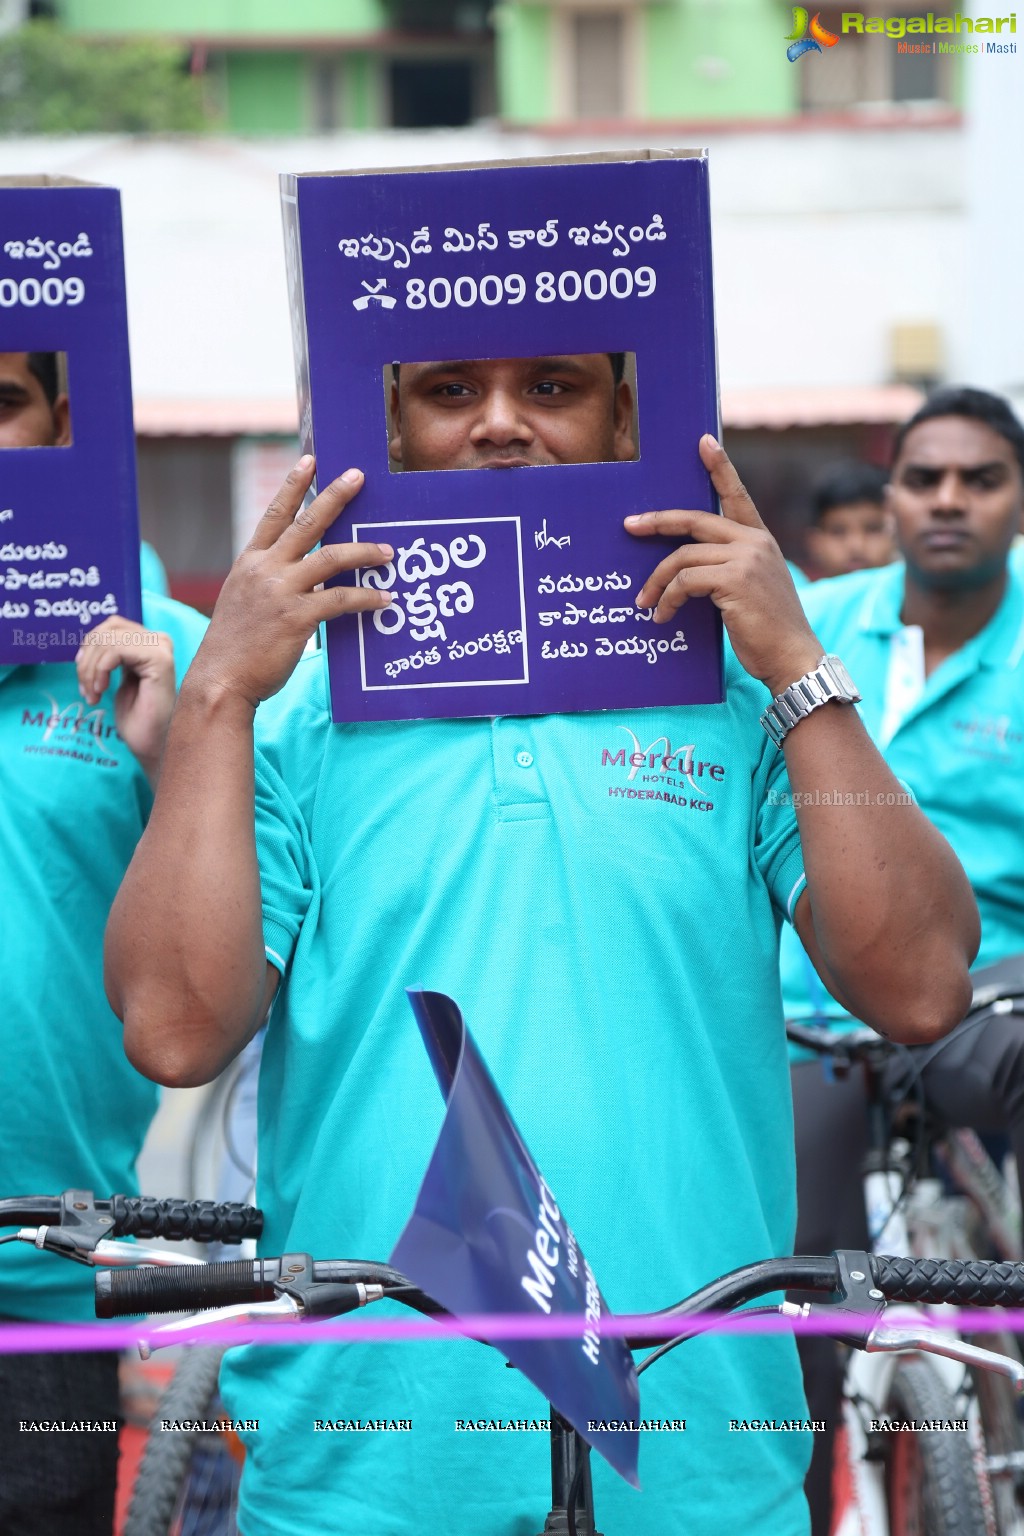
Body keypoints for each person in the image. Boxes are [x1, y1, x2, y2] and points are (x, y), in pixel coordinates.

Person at [106, 351, 978, 1536]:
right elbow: (172, 1028)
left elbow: (921, 987)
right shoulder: (290, 716)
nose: (504, 426)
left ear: (628, 410)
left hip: (695, 1463)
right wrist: (216, 698)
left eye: (555, 387)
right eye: (451, 391)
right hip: (368, 1471)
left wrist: (797, 671)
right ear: (391, 429)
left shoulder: (740, 693)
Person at [781, 385, 1024, 1536]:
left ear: (1017, 501)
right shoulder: (807, 624)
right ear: (890, 493)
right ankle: (796, 1497)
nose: (947, 500)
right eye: (924, 477)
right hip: (807, 1016)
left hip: (990, 1004)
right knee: (795, 1311)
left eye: (980, 479)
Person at [0, 350, 208, 1534]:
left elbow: (216, 994)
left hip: (41, 1285)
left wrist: (174, 752)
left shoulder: (158, 653)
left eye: (0, 405)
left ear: (64, 424)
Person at [803, 460, 896, 580]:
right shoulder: (800, 597)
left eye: (873, 529)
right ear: (814, 542)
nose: (856, 546)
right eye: (838, 531)